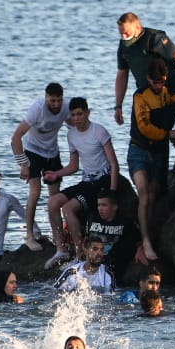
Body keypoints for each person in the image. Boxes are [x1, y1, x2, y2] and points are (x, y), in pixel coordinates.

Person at [129, 58, 175, 264]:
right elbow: (144, 127)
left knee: (152, 196)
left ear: (165, 78)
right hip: (138, 150)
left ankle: (147, 237)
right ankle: (145, 242)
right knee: (143, 193)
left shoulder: (164, 92)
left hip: (158, 153)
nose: (158, 86)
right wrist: (169, 133)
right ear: (148, 79)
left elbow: (171, 100)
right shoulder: (141, 96)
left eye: (161, 82)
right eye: (155, 82)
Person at [45, 97, 121, 257]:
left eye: (80, 114)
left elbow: (114, 164)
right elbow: (74, 166)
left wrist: (113, 192)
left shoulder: (99, 131)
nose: (76, 118)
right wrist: (56, 174)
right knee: (53, 202)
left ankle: (80, 253)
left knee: (68, 208)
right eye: (73, 115)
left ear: (87, 113)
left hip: (102, 180)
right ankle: (61, 249)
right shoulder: (71, 135)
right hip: (86, 181)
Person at [9, 82, 69, 251]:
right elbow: (16, 138)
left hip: (52, 152)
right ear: (46, 98)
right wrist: (23, 164)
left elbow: (74, 125)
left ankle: (58, 235)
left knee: (55, 196)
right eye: (52, 101)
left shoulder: (66, 107)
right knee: (35, 192)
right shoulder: (37, 109)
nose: (56, 104)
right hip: (33, 151)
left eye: (59, 100)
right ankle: (29, 235)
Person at [84, 190, 140, 283]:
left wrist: (140, 248)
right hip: (91, 261)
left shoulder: (125, 222)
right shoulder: (92, 218)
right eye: (99, 205)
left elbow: (137, 238)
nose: (100, 209)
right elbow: (85, 238)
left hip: (113, 265)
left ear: (115, 207)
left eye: (104, 205)